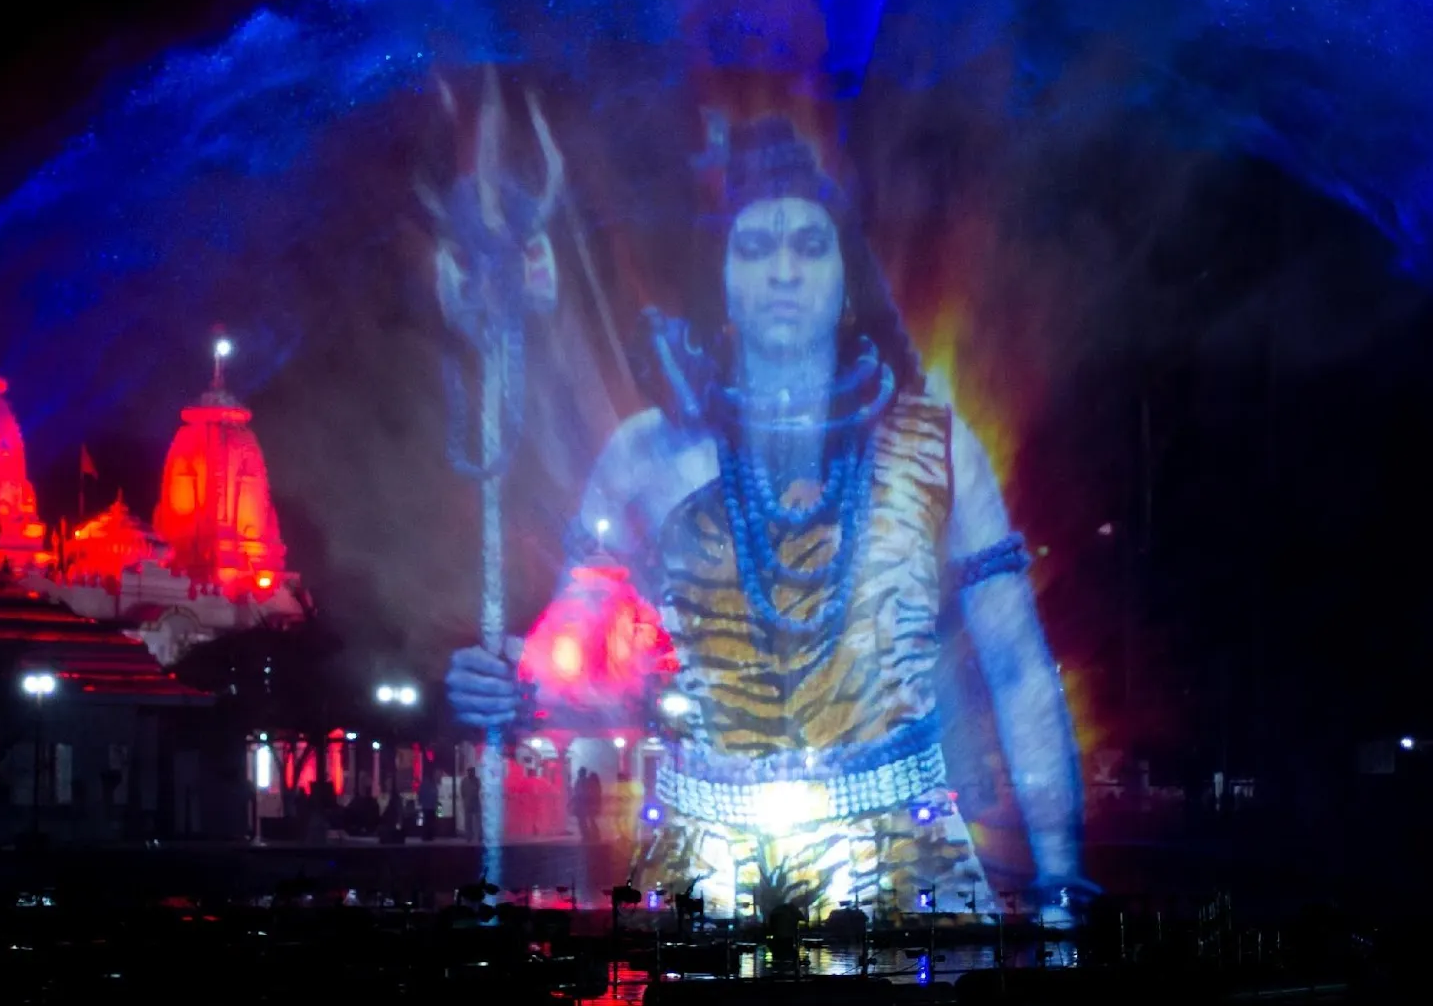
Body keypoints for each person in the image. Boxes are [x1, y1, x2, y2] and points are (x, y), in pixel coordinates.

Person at [447, 112, 1088, 920]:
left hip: (908, 869)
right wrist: (513, 678)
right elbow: (585, 650)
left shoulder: (936, 446)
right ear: (720, 276)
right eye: (754, 248)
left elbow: (1018, 666)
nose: (782, 270)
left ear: (847, 279)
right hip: (706, 878)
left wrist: (1063, 881)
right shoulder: (645, 457)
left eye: (809, 247)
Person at [574, 764, 605, 844]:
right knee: (587, 821)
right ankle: (590, 835)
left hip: (583, 804)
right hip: (583, 804)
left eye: (580, 772)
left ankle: (589, 835)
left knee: (585, 821)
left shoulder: (583, 782)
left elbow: (581, 793)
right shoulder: (583, 781)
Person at [458, 763, 483, 844]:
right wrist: (465, 799)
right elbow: (462, 791)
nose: (471, 773)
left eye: (472, 771)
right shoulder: (464, 781)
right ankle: (469, 836)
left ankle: (479, 836)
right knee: (468, 821)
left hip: (475, 802)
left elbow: (477, 789)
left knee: (477, 820)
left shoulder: (477, 780)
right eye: (470, 771)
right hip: (468, 802)